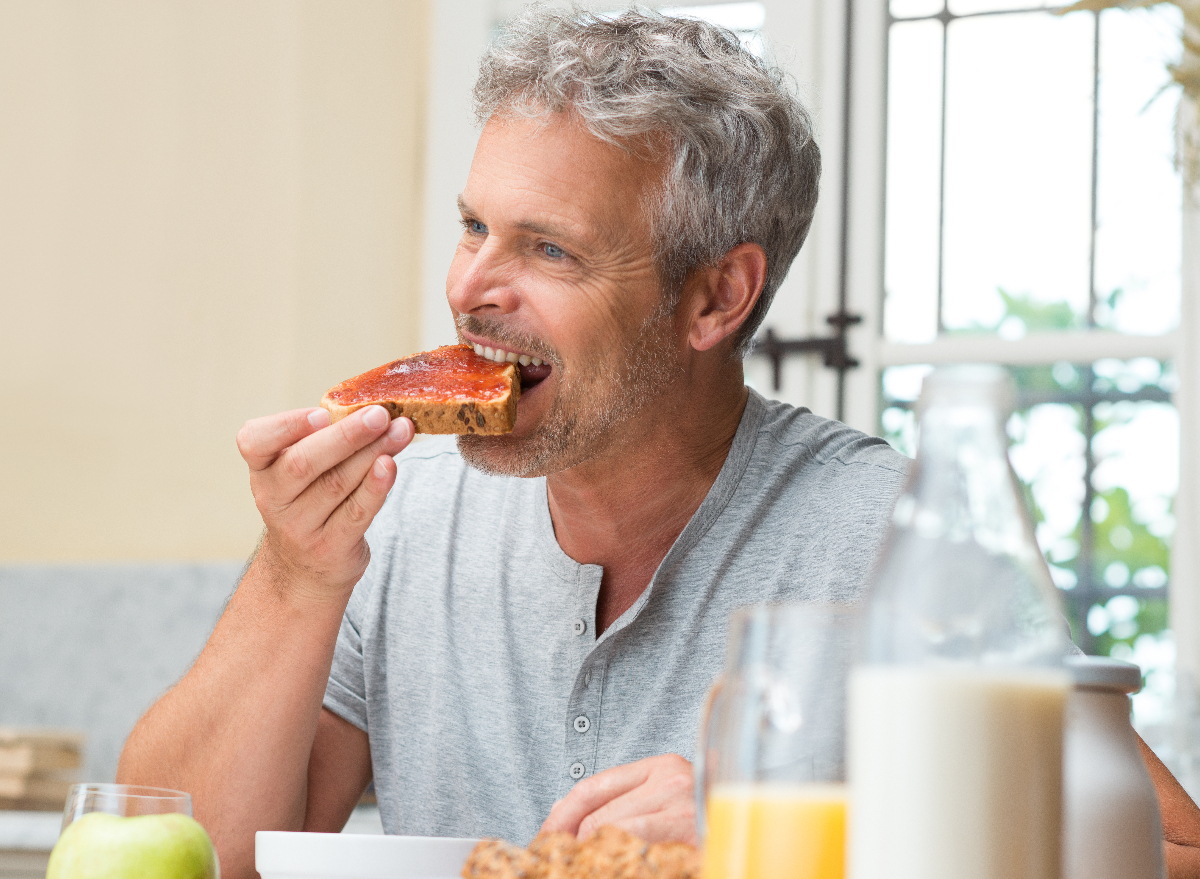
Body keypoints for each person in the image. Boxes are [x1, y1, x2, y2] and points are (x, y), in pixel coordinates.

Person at [117, 7, 1200, 879]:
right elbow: (184, 851)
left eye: (548, 249)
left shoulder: (888, 534)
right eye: (473, 227)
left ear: (714, 296)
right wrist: (297, 574)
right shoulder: (401, 517)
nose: (470, 290)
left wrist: (792, 842)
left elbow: (1171, 853)